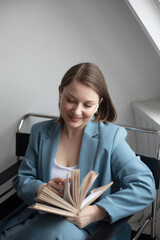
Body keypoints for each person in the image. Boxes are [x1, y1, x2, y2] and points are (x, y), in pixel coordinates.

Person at [0, 62, 155, 240]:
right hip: (39, 220)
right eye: (70, 100)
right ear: (60, 92)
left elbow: (145, 186)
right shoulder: (40, 132)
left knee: (54, 233)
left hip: (91, 229)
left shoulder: (110, 138)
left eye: (88, 105)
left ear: (99, 104)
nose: (77, 111)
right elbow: (22, 180)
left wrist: (97, 211)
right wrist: (41, 189)